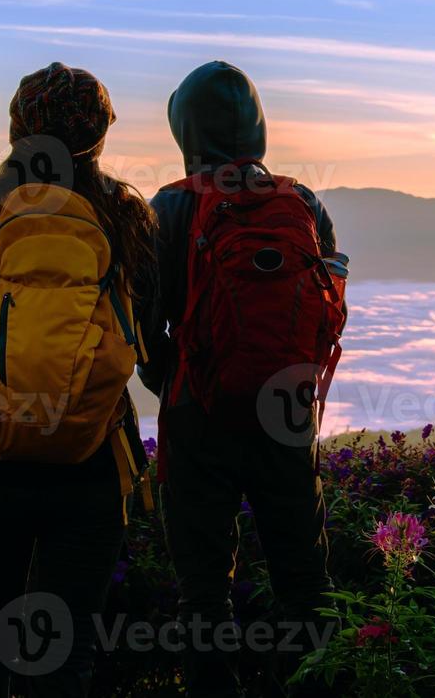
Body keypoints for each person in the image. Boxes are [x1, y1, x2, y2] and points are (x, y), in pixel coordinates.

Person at [0, 62, 156, 697]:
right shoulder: (125, 216)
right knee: (66, 654)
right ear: (99, 136)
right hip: (92, 457)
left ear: (14, 130)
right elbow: (142, 333)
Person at [142, 61, 345, 697]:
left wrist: (168, 377)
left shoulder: (171, 206)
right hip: (285, 411)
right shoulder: (302, 202)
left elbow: (144, 321)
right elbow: (325, 304)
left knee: (204, 592)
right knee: (305, 583)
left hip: (198, 411)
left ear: (185, 129)